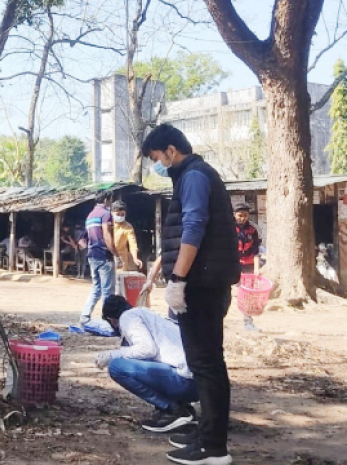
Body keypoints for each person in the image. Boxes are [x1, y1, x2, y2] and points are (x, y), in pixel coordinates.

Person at [141, 123, 239, 465]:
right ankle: (207, 434)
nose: (159, 165)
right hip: (204, 283)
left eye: (158, 159)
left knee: (207, 364)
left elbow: (194, 226)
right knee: (204, 363)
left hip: (202, 286)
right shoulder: (190, 176)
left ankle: (214, 448)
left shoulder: (195, 176)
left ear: (171, 150)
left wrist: (179, 278)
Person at [96, 295, 198, 433]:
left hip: (187, 382)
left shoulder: (127, 318)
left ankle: (173, 410)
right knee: (137, 361)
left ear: (111, 320)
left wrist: (112, 354)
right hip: (198, 381)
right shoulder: (144, 313)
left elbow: (147, 349)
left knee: (117, 367)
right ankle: (183, 407)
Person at [79, 191, 121, 325]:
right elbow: (107, 235)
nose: (111, 203)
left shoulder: (90, 215)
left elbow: (84, 238)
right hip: (103, 255)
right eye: (111, 200)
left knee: (96, 288)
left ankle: (85, 316)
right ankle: (108, 319)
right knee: (107, 290)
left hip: (92, 255)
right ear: (106, 199)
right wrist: (115, 253)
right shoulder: (105, 214)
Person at [234, 203, 262, 332]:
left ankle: (248, 322)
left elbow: (256, 250)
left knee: (248, 294)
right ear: (234, 215)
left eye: (245, 215)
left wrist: (256, 269)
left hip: (249, 265)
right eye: (240, 215)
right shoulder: (229, 228)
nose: (243, 218)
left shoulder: (253, 230)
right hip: (233, 264)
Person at [112, 201, 143, 272]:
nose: (120, 216)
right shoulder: (107, 224)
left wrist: (135, 258)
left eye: (122, 214)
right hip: (107, 257)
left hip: (121, 259)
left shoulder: (128, 226)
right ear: (112, 213)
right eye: (118, 214)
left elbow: (133, 243)